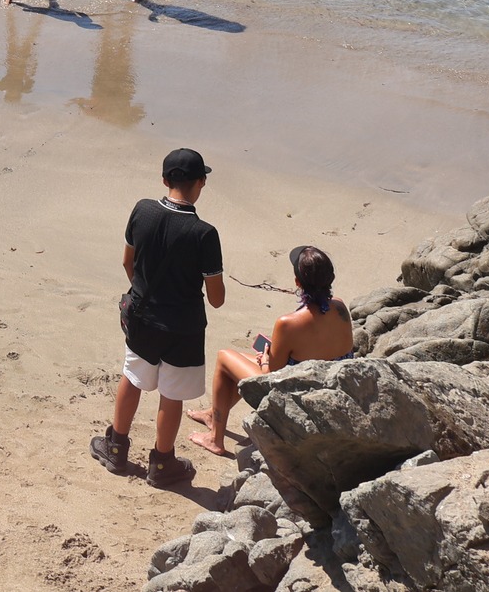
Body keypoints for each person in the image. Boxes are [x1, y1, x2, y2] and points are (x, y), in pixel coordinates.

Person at [91, 149, 225, 487]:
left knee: (133, 377)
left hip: (144, 316)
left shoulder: (143, 210)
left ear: (165, 180)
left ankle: (116, 447)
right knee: (172, 394)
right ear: (201, 183)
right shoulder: (204, 234)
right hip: (185, 328)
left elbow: (128, 263)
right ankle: (162, 464)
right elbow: (217, 298)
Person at [189, 246, 351, 458]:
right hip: (325, 388)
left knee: (224, 358)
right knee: (239, 362)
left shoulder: (287, 323)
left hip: (296, 397)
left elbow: (270, 378)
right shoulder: (340, 307)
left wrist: (265, 360)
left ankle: (215, 439)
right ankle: (213, 414)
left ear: (297, 282)